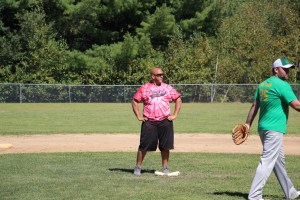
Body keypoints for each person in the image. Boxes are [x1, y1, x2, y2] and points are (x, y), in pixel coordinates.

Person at [244, 58, 300, 200]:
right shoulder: (281, 85)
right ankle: (255, 196)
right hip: (274, 129)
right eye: (284, 69)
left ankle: (291, 192)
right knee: (267, 161)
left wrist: (247, 124)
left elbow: (254, 106)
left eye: (288, 69)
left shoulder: (263, 85)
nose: (287, 72)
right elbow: (297, 106)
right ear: (276, 70)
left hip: (264, 128)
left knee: (278, 162)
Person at [131, 67, 182, 176]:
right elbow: (135, 101)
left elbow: (178, 98)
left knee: (165, 146)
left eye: (162, 74)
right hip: (149, 121)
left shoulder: (167, 88)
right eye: (159, 74)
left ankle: (165, 168)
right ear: (153, 76)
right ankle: (138, 167)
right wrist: (139, 116)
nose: (162, 76)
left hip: (165, 120)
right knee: (144, 145)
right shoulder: (144, 88)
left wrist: (175, 114)